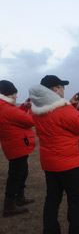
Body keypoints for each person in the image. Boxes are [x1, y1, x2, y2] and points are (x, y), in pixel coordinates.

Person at [29, 75, 79, 234]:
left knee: (52, 199)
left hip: (50, 162)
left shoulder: (36, 108)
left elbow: (59, 119)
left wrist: (69, 104)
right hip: (69, 162)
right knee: (76, 200)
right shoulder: (63, 109)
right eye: (61, 88)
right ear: (54, 90)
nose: (63, 90)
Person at [0, 80, 36, 217]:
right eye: (14, 93)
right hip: (17, 146)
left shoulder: (4, 107)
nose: (16, 96)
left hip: (15, 145)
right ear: (8, 94)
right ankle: (9, 206)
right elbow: (30, 121)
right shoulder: (7, 108)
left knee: (22, 172)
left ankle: (19, 198)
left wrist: (24, 107)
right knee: (15, 175)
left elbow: (15, 117)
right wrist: (32, 108)